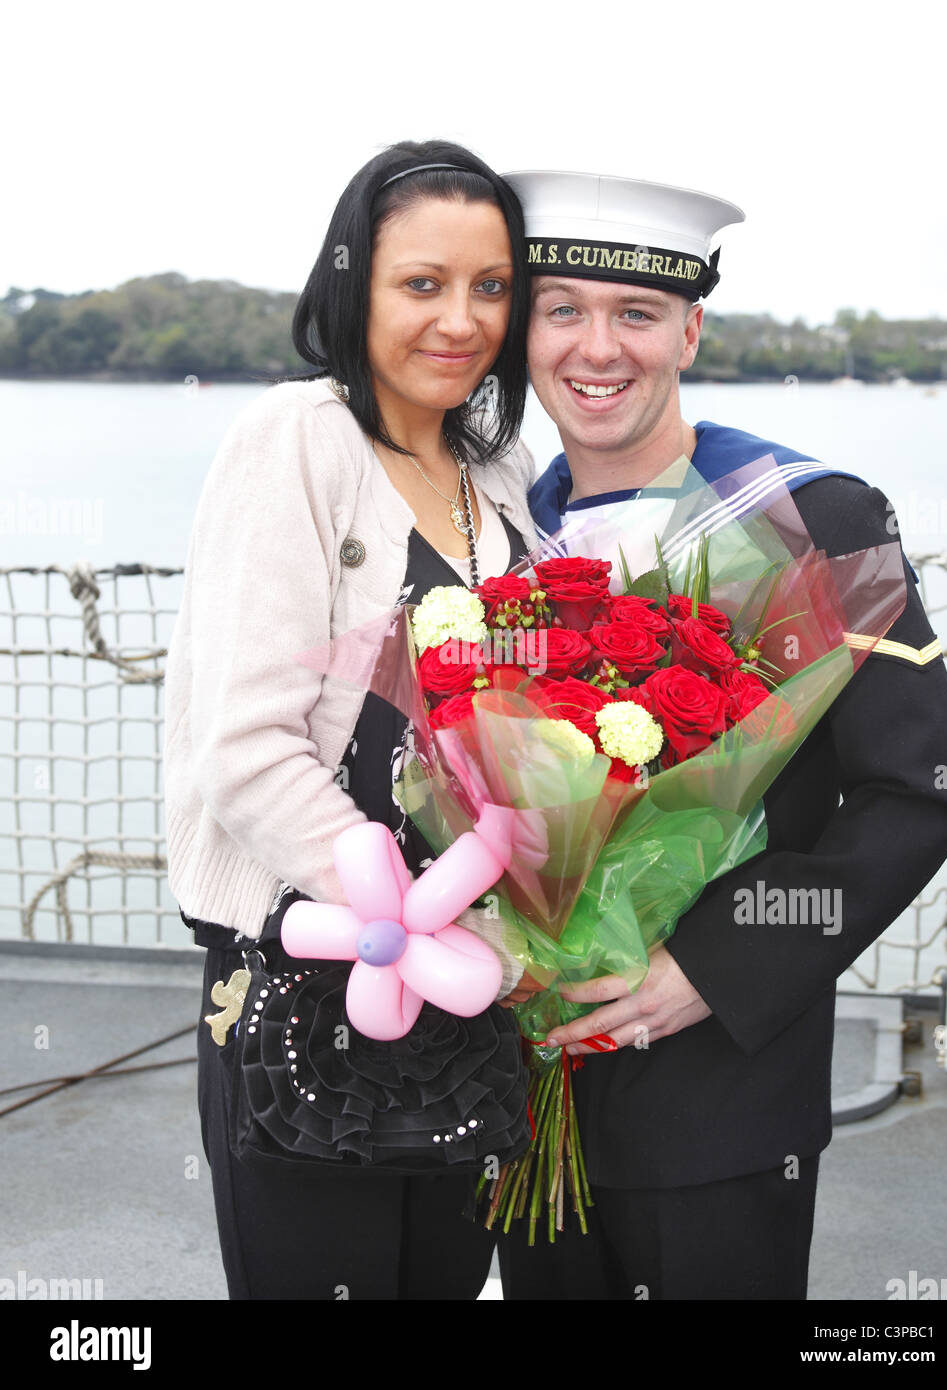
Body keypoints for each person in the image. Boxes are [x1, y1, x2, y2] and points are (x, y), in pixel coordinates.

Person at [495, 169, 947, 1300]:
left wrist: (708, 967)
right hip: (523, 1085)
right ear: (523, 333)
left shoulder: (808, 516)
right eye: (561, 309)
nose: (596, 348)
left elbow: (915, 793)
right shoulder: (505, 530)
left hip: (717, 1087)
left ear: (691, 330)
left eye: (638, 315)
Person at [163, 140, 543, 1300]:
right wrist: (404, 913)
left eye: (490, 287)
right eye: (421, 284)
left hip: (472, 990)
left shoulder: (503, 463)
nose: (461, 319)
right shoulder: (299, 440)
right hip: (314, 972)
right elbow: (245, 746)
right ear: (352, 286)